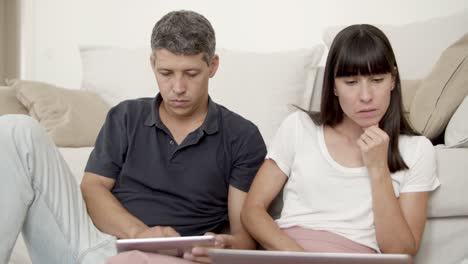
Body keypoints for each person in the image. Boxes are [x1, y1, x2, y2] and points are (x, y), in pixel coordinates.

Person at [0, 10, 266, 264]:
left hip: (172, 258)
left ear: (213, 65)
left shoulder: (242, 136)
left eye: (191, 73)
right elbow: (92, 188)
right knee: (17, 130)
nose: (178, 88)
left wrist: (221, 247)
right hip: (95, 245)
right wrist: (140, 235)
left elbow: (245, 237)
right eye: (166, 73)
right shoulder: (126, 116)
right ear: (152, 64)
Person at [241, 24, 440, 255]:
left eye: (377, 80)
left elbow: (400, 252)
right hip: (288, 253)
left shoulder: (417, 150)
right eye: (351, 83)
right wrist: (301, 259)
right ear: (334, 86)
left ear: (393, 80)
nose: (366, 96)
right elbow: (252, 210)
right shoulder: (298, 127)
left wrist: (378, 169)